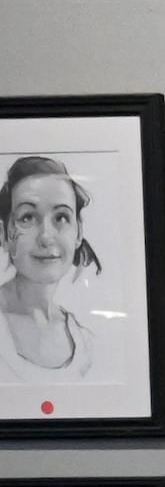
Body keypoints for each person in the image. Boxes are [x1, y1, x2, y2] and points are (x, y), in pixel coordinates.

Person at [0, 155, 105, 383]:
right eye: (27, 217)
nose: (46, 237)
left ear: (78, 233)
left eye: (61, 217)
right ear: (4, 234)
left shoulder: (89, 346)